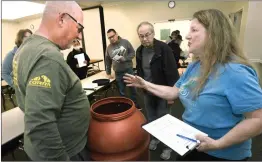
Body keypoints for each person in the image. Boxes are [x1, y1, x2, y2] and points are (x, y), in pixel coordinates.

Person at [124, 9, 262, 161]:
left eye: (194, 30)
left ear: (214, 34)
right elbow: (174, 91)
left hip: (221, 153)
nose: (187, 35)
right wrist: (145, 84)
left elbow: (257, 120)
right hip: (191, 142)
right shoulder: (195, 66)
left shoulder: (236, 72)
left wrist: (218, 144)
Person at [12, 1, 91, 161]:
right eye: (79, 28)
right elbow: (40, 124)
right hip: (64, 151)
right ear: (62, 19)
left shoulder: (27, 48)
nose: (80, 36)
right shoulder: (48, 58)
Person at [135, 21, 179, 160]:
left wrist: (171, 94)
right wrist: (142, 87)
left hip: (163, 91)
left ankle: (168, 147)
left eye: (147, 35)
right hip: (148, 92)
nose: (144, 39)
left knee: (165, 119)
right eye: (141, 36)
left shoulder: (163, 49)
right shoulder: (139, 51)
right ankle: (155, 139)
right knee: (152, 119)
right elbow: (141, 71)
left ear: (153, 33)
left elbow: (172, 72)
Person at [105, 29, 140, 109]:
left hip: (128, 70)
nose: (111, 39)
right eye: (109, 38)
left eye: (112, 36)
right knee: (121, 91)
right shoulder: (109, 48)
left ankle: (135, 105)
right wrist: (108, 72)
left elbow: (133, 53)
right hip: (118, 73)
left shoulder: (125, 42)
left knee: (132, 89)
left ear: (116, 34)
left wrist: (125, 58)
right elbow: (107, 60)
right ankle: (125, 106)